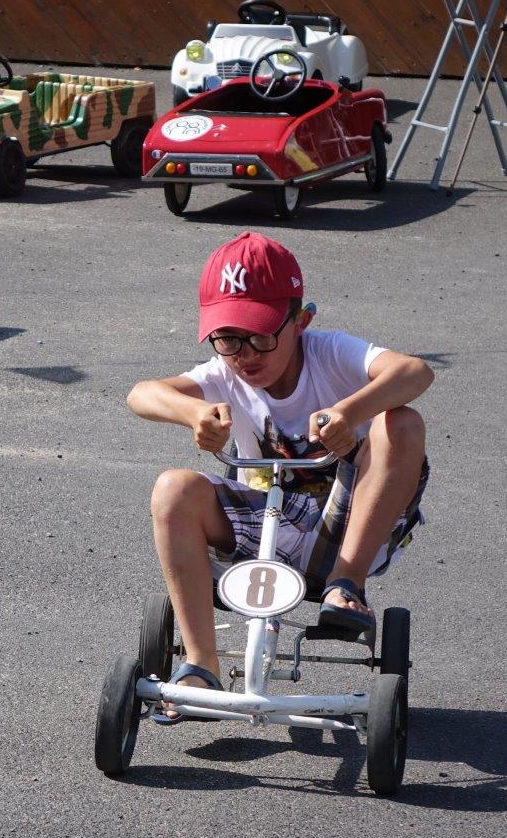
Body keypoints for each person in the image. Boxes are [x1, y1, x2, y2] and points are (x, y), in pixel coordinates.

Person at [127, 231, 433, 723]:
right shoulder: (225, 373)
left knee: (401, 421)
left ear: (302, 321)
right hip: (265, 527)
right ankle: (201, 664)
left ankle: (344, 586)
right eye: (229, 339)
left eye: (262, 335)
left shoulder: (330, 354)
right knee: (173, 487)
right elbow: (141, 393)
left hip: (349, 525)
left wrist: (351, 413)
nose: (246, 354)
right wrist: (192, 413)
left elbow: (415, 372)